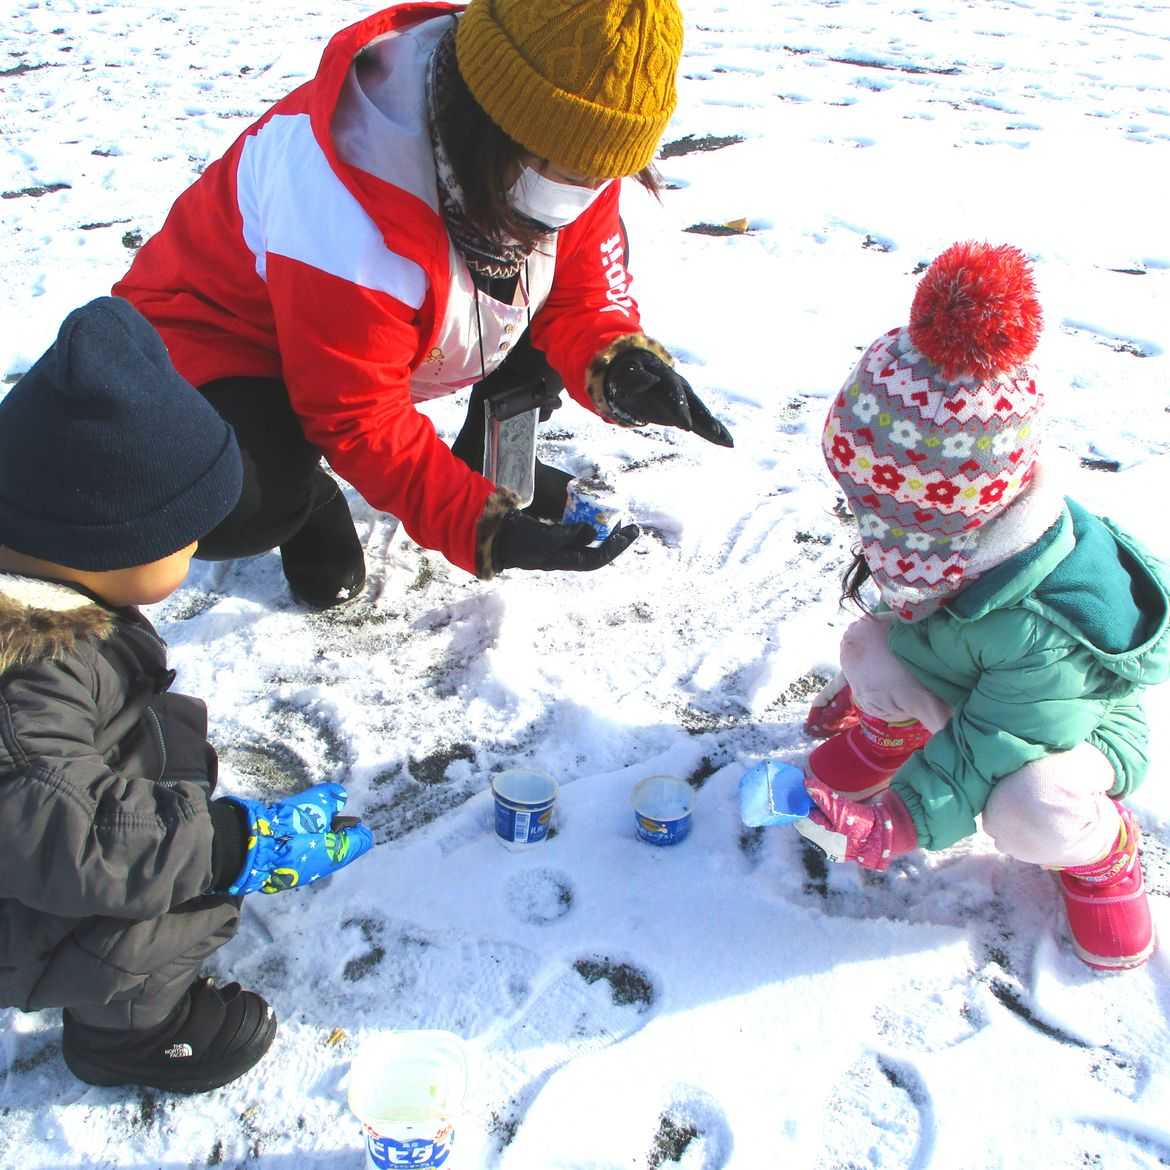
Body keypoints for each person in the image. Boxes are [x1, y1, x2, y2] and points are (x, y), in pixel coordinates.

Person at [112, 0, 733, 609]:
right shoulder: (343, 203)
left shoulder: (558, 137)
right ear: (489, 117)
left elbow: (579, 288)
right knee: (228, 503)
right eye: (554, 169)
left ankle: (494, 462)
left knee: (533, 307)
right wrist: (481, 529)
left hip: (382, 328)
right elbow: (358, 415)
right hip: (224, 340)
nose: (574, 196)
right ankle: (303, 495)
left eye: (595, 176)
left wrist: (617, 360)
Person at [0, 298, 374, 1092]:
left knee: (158, 789)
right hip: (29, 881)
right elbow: (75, 835)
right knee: (175, 896)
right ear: (106, 538)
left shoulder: (44, 574)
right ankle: (133, 1033)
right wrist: (225, 847)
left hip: (42, 842)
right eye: (185, 534)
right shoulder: (23, 688)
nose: (199, 546)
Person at [797, 242, 1168, 971]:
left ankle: (1101, 853)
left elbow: (1002, 742)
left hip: (1062, 734)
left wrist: (902, 821)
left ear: (958, 507)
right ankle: (894, 737)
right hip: (976, 681)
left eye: (890, 515)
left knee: (1025, 810)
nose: (873, 535)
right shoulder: (951, 545)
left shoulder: (1042, 623)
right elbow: (914, 618)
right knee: (866, 645)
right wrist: (868, 696)